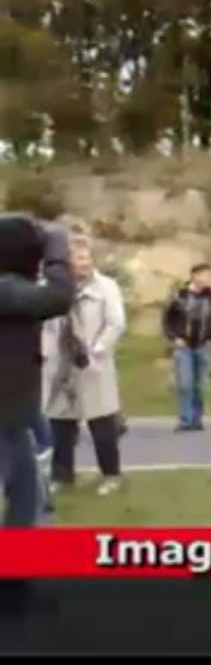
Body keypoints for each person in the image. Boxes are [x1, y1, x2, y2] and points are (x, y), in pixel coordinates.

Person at [0, 216, 73, 527]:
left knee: (27, 499)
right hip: (6, 416)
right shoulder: (5, 289)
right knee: (22, 494)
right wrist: (57, 249)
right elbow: (58, 297)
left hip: (15, 416)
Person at [44, 235, 126, 497]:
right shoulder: (54, 288)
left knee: (102, 423)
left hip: (93, 365)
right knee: (60, 425)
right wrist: (45, 354)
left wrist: (98, 350)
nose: (84, 263)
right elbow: (44, 324)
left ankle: (111, 474)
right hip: (61, 367)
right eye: (78, 258)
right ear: (67, 262)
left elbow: (116, 323)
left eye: (87, 257)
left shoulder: (106, 287)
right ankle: (62, 476)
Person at [161, 263, 211, 433]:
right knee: (185, 383)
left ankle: (197, 418)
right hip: (184, 345)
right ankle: (185, 418)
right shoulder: (179, 296)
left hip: (203, 345)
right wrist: (174, 337)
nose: (206, 279)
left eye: (208, 276)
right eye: (203, 275)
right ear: (194, 276)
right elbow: (167, 319)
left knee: (200, 384)